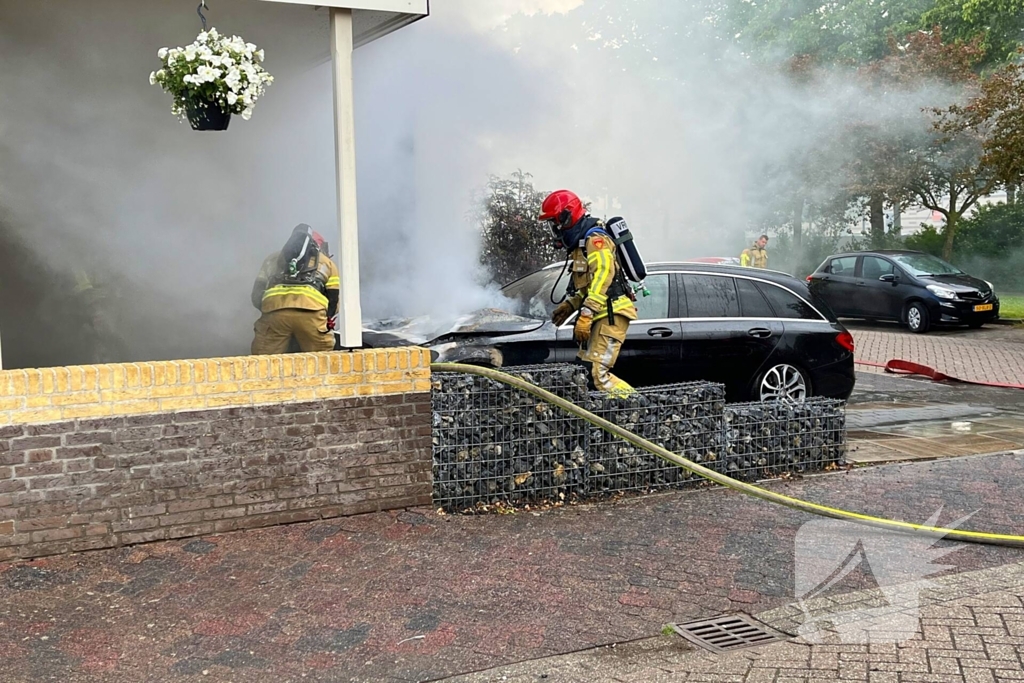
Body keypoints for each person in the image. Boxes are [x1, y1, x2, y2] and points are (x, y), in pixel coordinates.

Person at [539, 189, 637, 396]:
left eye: (555, 222)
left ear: (566, 216)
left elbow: (604, 274)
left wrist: (586, 312)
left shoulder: (595, 239)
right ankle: (605, 420)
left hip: (611, 314)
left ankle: (641, 409)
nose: (554, 229)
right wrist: (572, 304)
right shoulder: (580, 244)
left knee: (597, 375)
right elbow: (589, 286)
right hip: (599, 315)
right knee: (583, 371)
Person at [251, 224, 340, 355]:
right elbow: (334, 300)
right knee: (321, 362)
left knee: (264, 363)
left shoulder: (272, 259)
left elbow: (256, 295)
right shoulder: (328, 263)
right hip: (312, 313)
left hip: (274, 313)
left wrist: (270, 311)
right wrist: (325, 319)